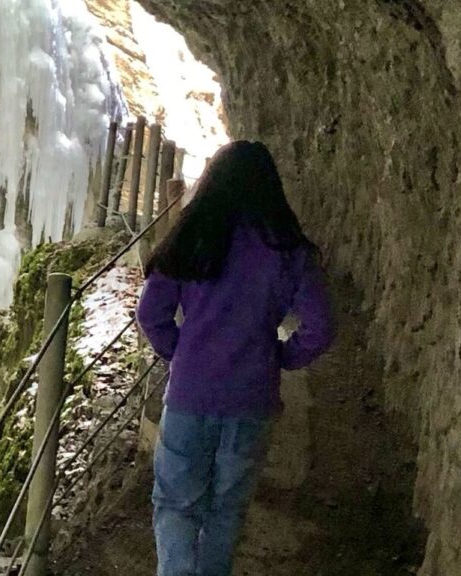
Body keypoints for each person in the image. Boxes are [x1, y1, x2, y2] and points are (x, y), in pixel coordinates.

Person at [137, 140, 333, 576]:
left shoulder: (193, 236)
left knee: (176, 505)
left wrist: (182, 354)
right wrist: (281, 356)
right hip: (252, 398)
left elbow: (151, 314)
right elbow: (321, 327)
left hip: (191, 394)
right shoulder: (289, 250)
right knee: (225, 511)